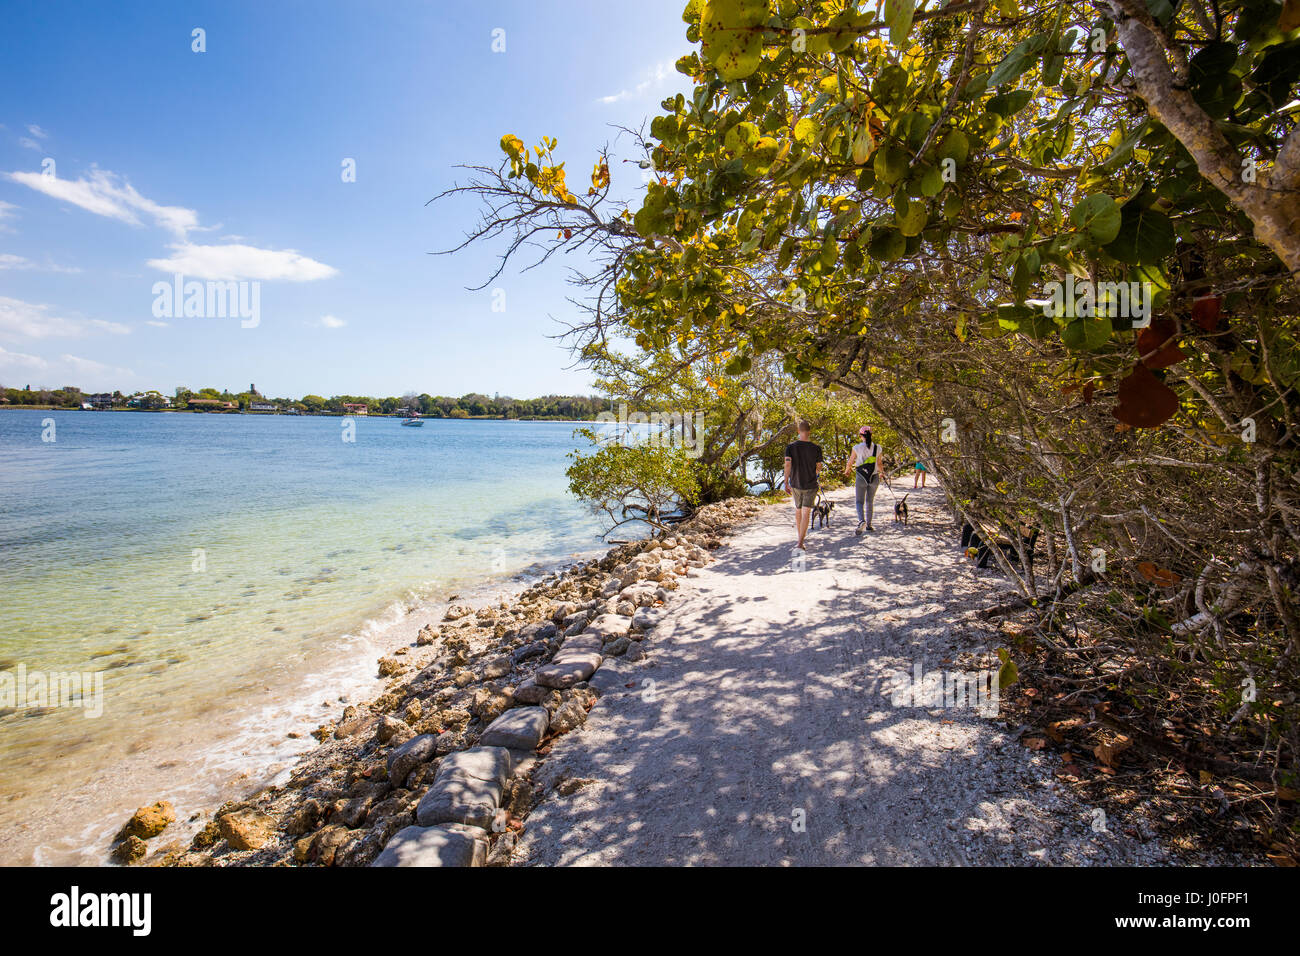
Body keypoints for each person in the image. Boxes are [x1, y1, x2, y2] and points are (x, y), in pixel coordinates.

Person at [783, 420, 822, 551]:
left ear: (798, 431)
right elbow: (819, 467)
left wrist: (786, 481)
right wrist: (814, 472)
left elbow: (788, 464)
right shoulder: (816, 448)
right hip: (810, 484)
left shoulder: (790, 447)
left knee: (798, 510)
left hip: (795, 483)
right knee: (806, 512)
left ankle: (800, 538)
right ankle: (800, 542)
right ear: (809, 432)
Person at [844, 426, 885, 534]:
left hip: (861, 477)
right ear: (871, 435)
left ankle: (862, 521)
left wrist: (847, 470)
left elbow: (851, 462)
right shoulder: (878, 447)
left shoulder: (857, 448)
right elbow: (879, 463)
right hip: (874, 476)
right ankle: (869, 525)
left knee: (859, 501)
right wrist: (882, 473)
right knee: (870, 501)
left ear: (861, 436)